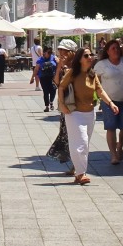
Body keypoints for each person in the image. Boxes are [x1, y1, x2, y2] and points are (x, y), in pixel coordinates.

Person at [59, 46, 119, 185]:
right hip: (74, 113)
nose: (90, 57)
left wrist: (110, 103)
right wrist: (62, 104)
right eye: (86, 55)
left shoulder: (92, 74)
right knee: (81, 143)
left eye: (91, 54)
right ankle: (81, 173)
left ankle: (79, 173)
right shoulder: (73, 72)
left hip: (89, 114)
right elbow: (61, 87)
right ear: (79, 59)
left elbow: (100, 90)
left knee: (84, 145)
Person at [92, 38, 123, 164]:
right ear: (108, 52)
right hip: (109, 101)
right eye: (113, 48)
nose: (116, 50)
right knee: (111, 127)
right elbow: (95, 80)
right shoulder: (102, 64)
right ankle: (113, 155)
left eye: (117, 48)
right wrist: (97, 96)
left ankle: (120, 145)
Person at [45, 40, 78, 172]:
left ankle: (77, 165)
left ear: (72, 53)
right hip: (66, 106)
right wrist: (59, 67)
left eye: (65, 51)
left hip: (78, 105)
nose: (61, 53)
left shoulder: (78, 67)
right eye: (60, 50)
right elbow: (56, 84)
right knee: (66, 135)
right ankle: (74, 164)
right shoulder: (62, 66)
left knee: (75, 135)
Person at [33, 45, 58, 112]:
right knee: (46, 92)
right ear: (44, 52)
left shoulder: (54, 58)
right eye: (48, 52)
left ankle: (51, 102)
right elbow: (36, 69)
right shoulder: (40, 60)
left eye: (51, 52)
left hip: (52, 77)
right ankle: (47, 106)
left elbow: (58, 66)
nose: (50, 54)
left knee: (53, 90)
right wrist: (32, 77)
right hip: (43, 78)